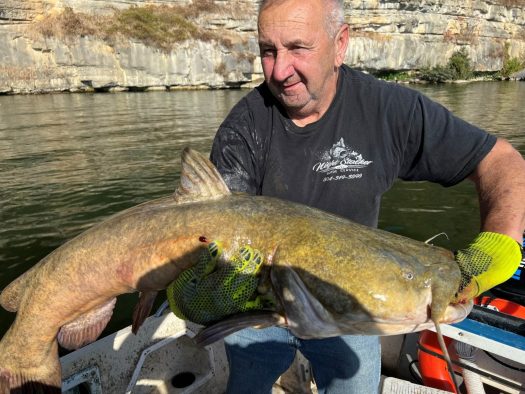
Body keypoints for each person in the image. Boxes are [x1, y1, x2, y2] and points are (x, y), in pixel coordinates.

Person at [208, 0, 525, 392]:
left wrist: (499, 242)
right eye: (268, 51)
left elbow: (501, 160)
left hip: (355, 310)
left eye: (297, 48)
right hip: (258, 306)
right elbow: (215, 227)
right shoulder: (243, 129)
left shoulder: (390, 110)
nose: (279, 70)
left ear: (340, 44)